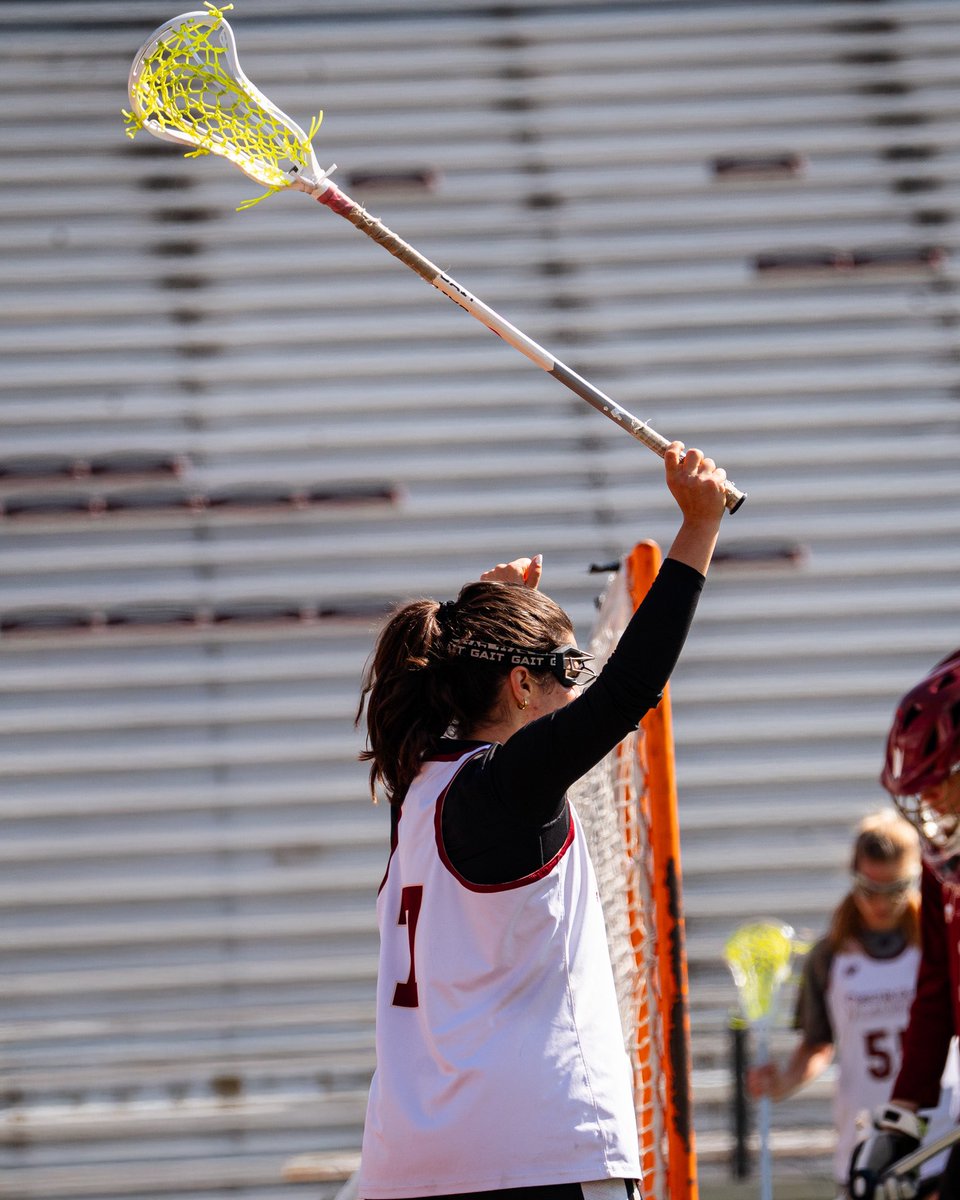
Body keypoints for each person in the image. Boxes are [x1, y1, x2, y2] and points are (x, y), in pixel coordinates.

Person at [353, 444, 727, 1200]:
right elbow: (629, 692)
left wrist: (486, 606)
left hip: (405, 1169)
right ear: (522, 684)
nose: (576, 690)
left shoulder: (415, 785)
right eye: (566, 673)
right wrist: (699, 527)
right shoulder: (503, 790)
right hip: (537, 1158)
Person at [746, 810, 957, 1196]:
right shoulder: (830, 956)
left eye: (895, 889)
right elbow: (818, 1043)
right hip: (865, 1140)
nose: (880, 903)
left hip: (936, 1140)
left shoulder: (938, 946)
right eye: (868, 889)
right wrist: (782, 1082)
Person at [849, 650, 960, 1200]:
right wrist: (902, 1119)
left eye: (940, 778)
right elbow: (937, 988)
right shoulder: (947, 864)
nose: (927, 797)